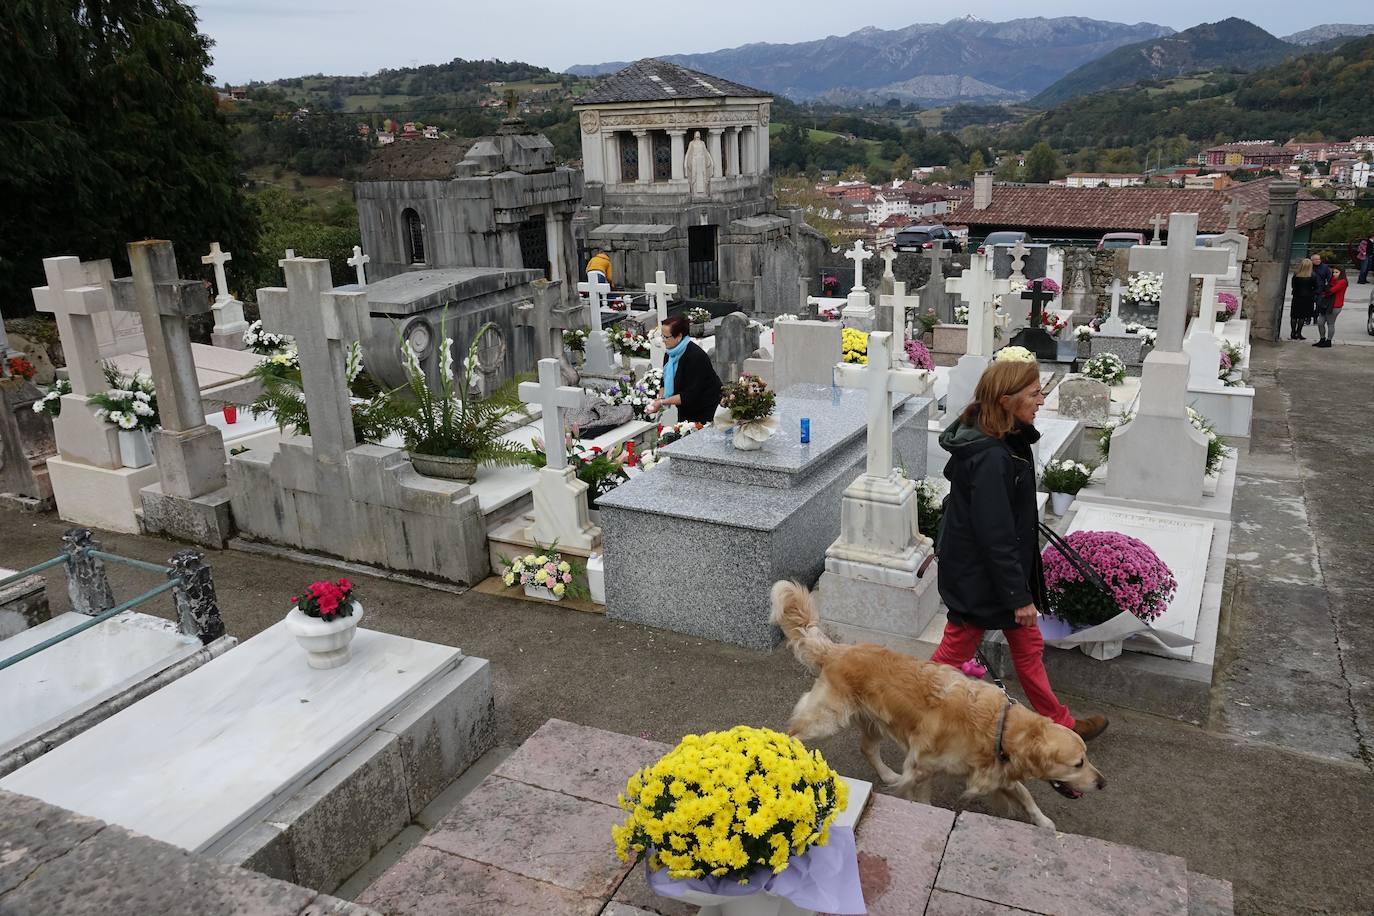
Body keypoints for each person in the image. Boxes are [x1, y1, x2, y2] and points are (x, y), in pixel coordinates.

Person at [930, 360, 1108, 741]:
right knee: (950, 658)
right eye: (1034, 394)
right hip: (983, 578)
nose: (1042, 400)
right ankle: (912, 710)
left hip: (991, 574)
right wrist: (1017, 596)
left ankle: (1062, 725)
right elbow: (994, 534)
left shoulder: (1004, 439)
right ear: (1007, 401)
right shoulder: (992, 455)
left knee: (1028, 647)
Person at [648, 315, 721, 424]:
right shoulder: (670, 354)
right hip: (685, 408)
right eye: (662, 336)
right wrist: (659, 399)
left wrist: (663, 402)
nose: (663, 340)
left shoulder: (695, 356)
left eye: (666, 337)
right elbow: (665, 380)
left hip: (706, 408)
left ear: (679, 336)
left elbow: (690, 394)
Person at [1315, 267, 1347, 347]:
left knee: (1330, 323)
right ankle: (1322, 339)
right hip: (1325, 304)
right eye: (1333, 272)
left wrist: (1324, 290)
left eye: (1336, 272)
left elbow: (1331, 291)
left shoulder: (1343, 281)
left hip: (1335, 305)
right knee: (1320, 322)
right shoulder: (1332, 279)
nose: (1334, 274)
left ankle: (1328, 341)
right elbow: (1326, 288)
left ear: (1341, 273)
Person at [1290, 258, 1316, 340]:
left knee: (1294, 316)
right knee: (1302, 317)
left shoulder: (1296, 275)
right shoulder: (1312, 276)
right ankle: (1299, 333)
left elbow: (1293, 285)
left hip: (1297, 296)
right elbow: (1315, 287)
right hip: (1307, 297)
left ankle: (1293, 332)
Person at [1311, 253, 1332, 322]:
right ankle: (1308, 318)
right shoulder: (1309, 266)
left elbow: (1329, 279)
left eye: (1319, 259)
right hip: (1311, 289)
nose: (1318, 261)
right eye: (1316, 259)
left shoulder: (1325, 267)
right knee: (1309, 305)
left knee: (1319, 305)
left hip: (1321, 289)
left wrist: (1328, 288)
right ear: (1312, 260)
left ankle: (1315, 316)